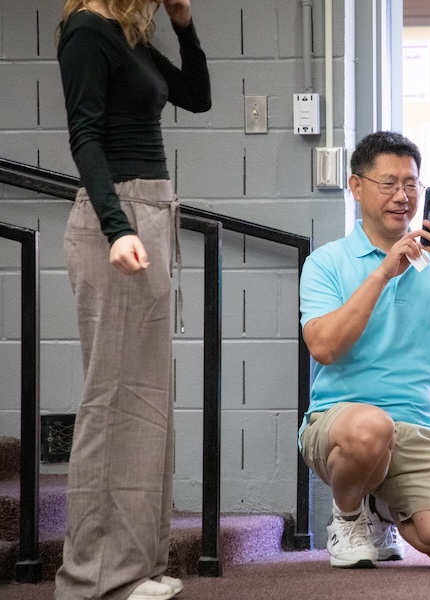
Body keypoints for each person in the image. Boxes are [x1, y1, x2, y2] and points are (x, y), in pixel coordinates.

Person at [55, 0, 210, 598]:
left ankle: (134, 567)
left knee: (145, 404)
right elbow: (84, 136)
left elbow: (196, 96)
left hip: (150, 214)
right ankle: (92, 578)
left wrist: (182, 21)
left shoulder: (129, 35)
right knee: (112, 401)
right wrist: (117, 227)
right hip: (115, 220)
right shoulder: (87, 32)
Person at [298, 131, 430, 570]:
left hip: (417, 431)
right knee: (372, 428)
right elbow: (324, 348)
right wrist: (382, 274)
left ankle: (381, 506)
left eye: (411, 184)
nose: (402, 196)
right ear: (356, 186)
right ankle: (348, 516)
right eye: (389, 183)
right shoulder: (326, 262)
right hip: (344, 425)